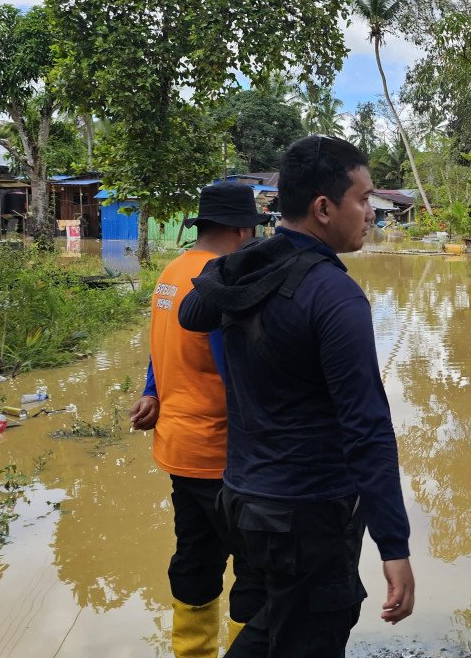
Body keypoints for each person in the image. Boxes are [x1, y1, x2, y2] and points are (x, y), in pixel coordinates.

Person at [180, 135, 415, 657]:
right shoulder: (334, 296)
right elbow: (368, 429)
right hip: (308, 514)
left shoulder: (259, 271)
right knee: (307, 635)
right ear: (324, 208)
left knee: (273, 627)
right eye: (363, 200)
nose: (372, 213)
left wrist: (250, 257)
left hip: (245, 502)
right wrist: (393, 546)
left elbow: (192, 313)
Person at [129, 183, 269, 657]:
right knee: (257, 573)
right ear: (242, 229)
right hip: (223, 459)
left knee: (195, 560)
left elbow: (160, 346)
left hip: (178, 452)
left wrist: (152, 390)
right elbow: (239, 377)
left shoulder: (172, 273)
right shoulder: (219, 282)